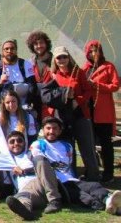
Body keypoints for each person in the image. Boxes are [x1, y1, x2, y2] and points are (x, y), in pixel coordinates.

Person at [6, 117, 121, 219]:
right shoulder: (37, 144)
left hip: (69, 180)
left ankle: (109, 201)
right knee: (81, 196)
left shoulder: (67, 146)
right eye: (48, 128)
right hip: (54, 181)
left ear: (60, 131)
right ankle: (102, 204)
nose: (51, 131)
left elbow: (69, 167)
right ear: (43, 130)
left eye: (55, 128)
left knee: (94, 186)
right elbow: (39, 164)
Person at [40, 45, 99, 181]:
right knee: (67, 148)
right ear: (55, 60)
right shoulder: (52, 75)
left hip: (80, 114)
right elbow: (47, 94)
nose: (61, 60)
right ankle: (70, 176)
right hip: (61, 117)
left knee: (87, 147)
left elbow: (89, 91)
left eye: (64, 57)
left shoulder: (78, 72)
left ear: (69, 57)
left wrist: (78, 100)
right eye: (58, 57)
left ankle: (93, 176)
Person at [83, 39, 119, 182]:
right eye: (90, 51)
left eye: (96, 50)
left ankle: (108, 174)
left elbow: (115, 86)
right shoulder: (85, 68)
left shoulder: (108, 66)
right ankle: (92, 172)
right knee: (89, 143)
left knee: (105, 144)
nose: (93, 53)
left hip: (103, 111)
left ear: (100, 51)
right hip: (88, 110)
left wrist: (97, 85)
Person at [0, 39, 39, 112]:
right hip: (5, 105)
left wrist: (27, 102)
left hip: (23, 104)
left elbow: (32, 86)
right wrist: (1, 82)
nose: (9, 51)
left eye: (12, 48)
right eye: (6, 49)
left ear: (16, 50)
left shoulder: (25, 64)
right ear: (2, 51)